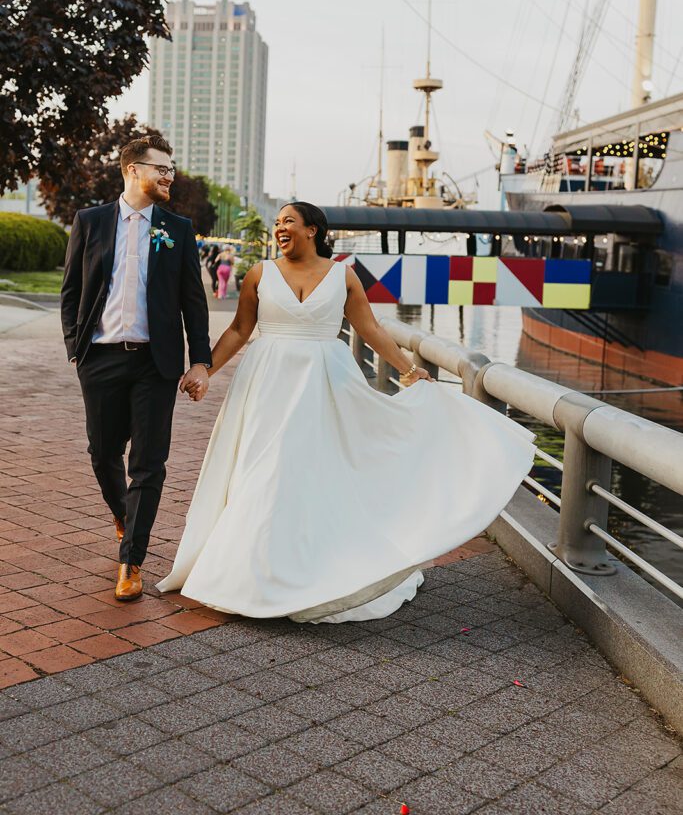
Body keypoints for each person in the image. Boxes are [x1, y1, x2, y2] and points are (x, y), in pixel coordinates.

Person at [158, 202, 535, 622]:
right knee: (263, 469)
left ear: (313, 230)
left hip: (326, 384)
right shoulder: (260, 273)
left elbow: (369, 329)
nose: (280, 228)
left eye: (289, 222)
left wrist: (410, 371)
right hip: (266, 384)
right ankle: (252, 573)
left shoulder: (343, 275)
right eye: (278, 222)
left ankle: (308, 566)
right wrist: (206, 368)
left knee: (310, 471)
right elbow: (239, 330)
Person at [61, 134, 212, 602]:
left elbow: (193, 300)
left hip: (156, 363)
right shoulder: (90, 221)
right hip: (100, 357)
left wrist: (201, 360)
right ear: (132, 170)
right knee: (102, 453)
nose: (170, 176)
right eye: (161, 169)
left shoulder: (177, 228)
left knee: (149, 462)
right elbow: (71, 291)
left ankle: (131, 560)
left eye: (172, 169)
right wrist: (75, 349)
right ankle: (125, 517)